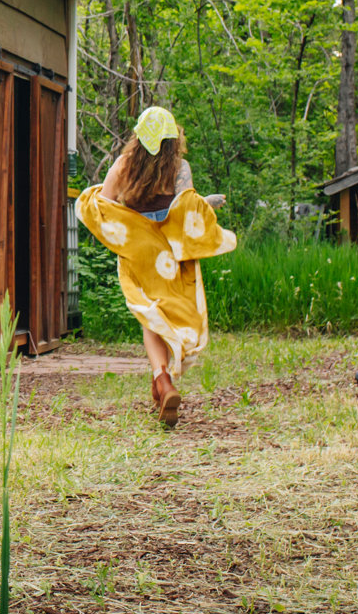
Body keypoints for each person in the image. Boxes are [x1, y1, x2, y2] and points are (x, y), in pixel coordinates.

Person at [75, 106, 237, 425]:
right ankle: (162, 383)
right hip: (169, 253)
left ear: (139, 136)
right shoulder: (180, 167)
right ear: (171, 141)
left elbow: (106, 205)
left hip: (140, 253)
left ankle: (162, 380)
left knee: (150, 317)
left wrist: (113, 218)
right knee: (165, 314)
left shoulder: (123, 165)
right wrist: (208, 206)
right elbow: (186, 207)